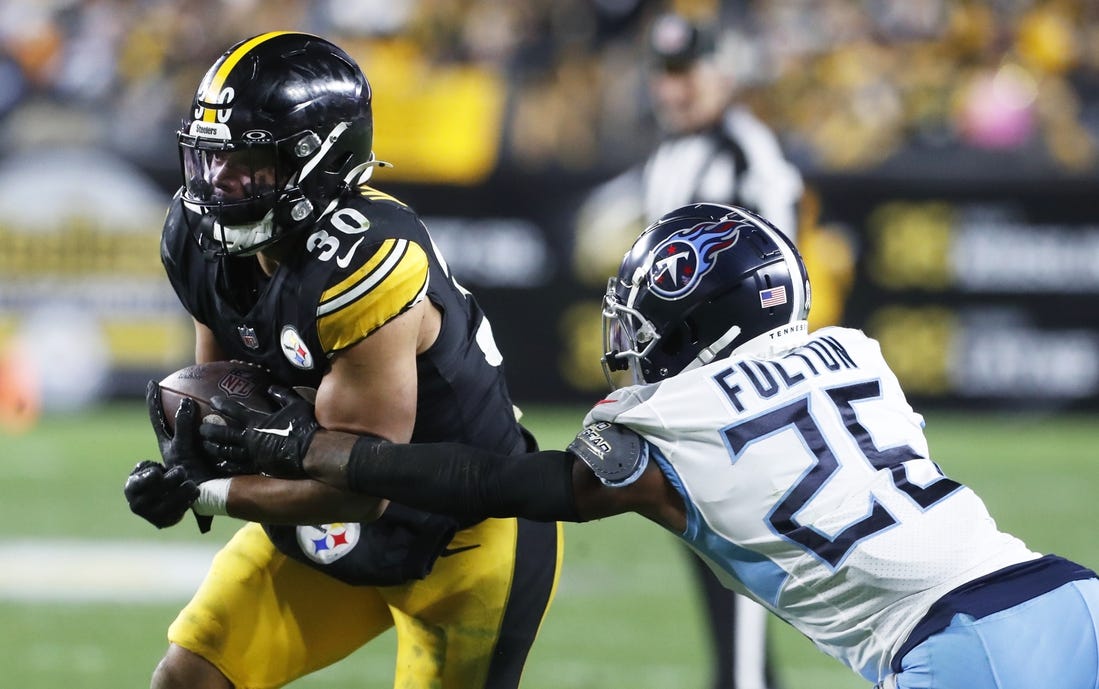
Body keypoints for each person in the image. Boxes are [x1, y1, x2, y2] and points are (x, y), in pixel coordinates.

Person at [203, 203, 1099, 688]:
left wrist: (317, 451)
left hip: (946, 642)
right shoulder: (854, 352)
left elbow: (504, 479)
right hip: (1067, 593)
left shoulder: (669, 421)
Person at [121, 31, 562, 689]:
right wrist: (188, 462)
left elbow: (361, 486)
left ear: (316, 162)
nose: (217, 184)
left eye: (245, 164)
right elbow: (218, 395)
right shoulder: (199, 240)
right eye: (210, 160)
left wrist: (208, 489)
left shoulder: (364, 260)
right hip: (318, 521)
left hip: (462, 541)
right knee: (187, 680)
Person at [576, 14, 804, 688]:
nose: (674, 89)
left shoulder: (745, 152)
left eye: (686, 72)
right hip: (686, 391)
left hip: (737, 389)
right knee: (711, 556)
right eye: (663, 73)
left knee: (737, 564)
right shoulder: (670, 153)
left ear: (721, 73)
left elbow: (781, 276)